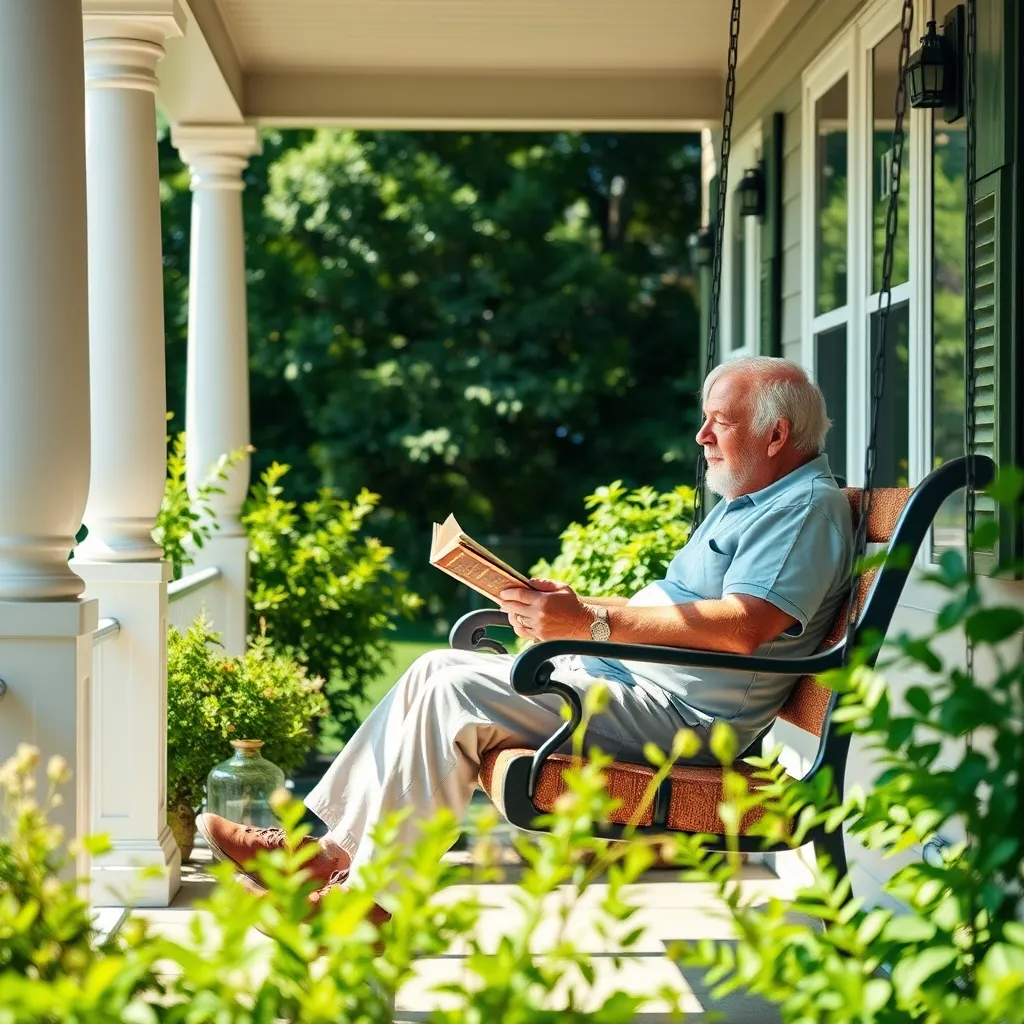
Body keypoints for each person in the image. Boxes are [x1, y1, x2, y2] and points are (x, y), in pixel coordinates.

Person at [198, 355, 855, 918]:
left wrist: (591, 625)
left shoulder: (802, 509)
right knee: (434, 671)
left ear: (776, 434)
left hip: (686, 720)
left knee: (453, 690)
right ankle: (325, 857)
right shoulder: (759, 500)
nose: (701, 434)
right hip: (636, 685)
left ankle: (366, 903)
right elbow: (687, 610)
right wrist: (567, 607)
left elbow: (743, 628)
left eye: (721, 422)